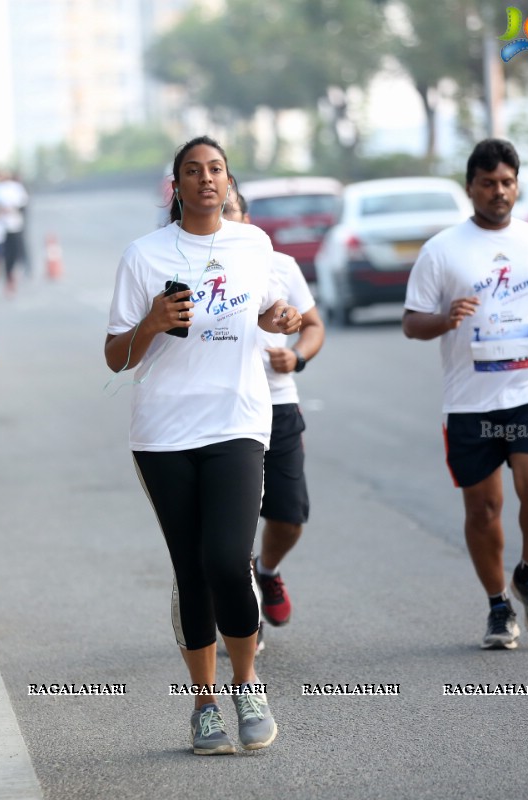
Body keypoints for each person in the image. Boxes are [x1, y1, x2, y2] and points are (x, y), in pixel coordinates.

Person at [105, 136, 301, 755]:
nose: (206, 179)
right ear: (176, 187)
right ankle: (205, 703)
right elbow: (116, 357)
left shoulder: (254, 244)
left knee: (226, 560)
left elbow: (267, 311)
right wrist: (153, 322)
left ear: (228, 180)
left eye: (215, 169)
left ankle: (247, 685)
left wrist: (281, 319)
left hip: (238, 422)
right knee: (191, 570)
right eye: (193, 171)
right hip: (163, 433)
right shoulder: (144, 255)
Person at [402, 138, 528, 651]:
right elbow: (412, 323)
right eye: (488, 183)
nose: (499, 192)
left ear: (516, 184)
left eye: (507, 182)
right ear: (470, 187)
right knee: (482, 511)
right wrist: (445, 318)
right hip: (471, 401)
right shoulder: (442, 250)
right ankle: (499, 606)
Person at [221, 190, 325, 635]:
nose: (221, 219)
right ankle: (245, 609)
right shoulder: (195, 271)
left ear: (246, 217)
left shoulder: (279, 266)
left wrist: (297, 356)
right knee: (234, 520)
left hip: (278, 405)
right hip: (223, 411)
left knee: (289, 517)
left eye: (229, 211)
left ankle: (266, 570)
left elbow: (313, 325)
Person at [0, 170, 29, 292]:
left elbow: (23, 204)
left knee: (16, 252)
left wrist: (12, 208)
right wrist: (0, 209)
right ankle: (7, 278)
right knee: (5, 255)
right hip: (0, 228)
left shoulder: (16, 187)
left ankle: (15, 272)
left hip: (15, 225)